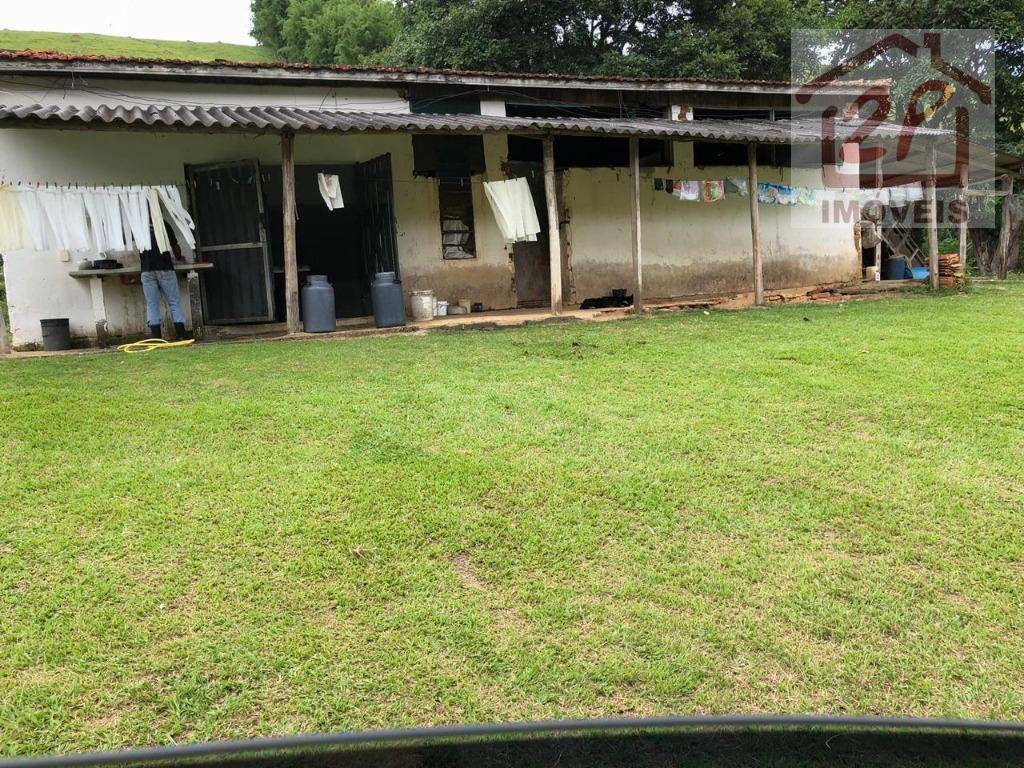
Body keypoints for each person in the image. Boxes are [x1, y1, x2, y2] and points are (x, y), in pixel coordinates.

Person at [139, 229, 189, 340]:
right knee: (174, 302)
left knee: (152, 304)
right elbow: (175, 246)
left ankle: (156, 338)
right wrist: (179, 257)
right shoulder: (163, 223)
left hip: (147, 270)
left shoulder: (139, 223)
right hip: (165, 268)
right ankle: (181, 335)